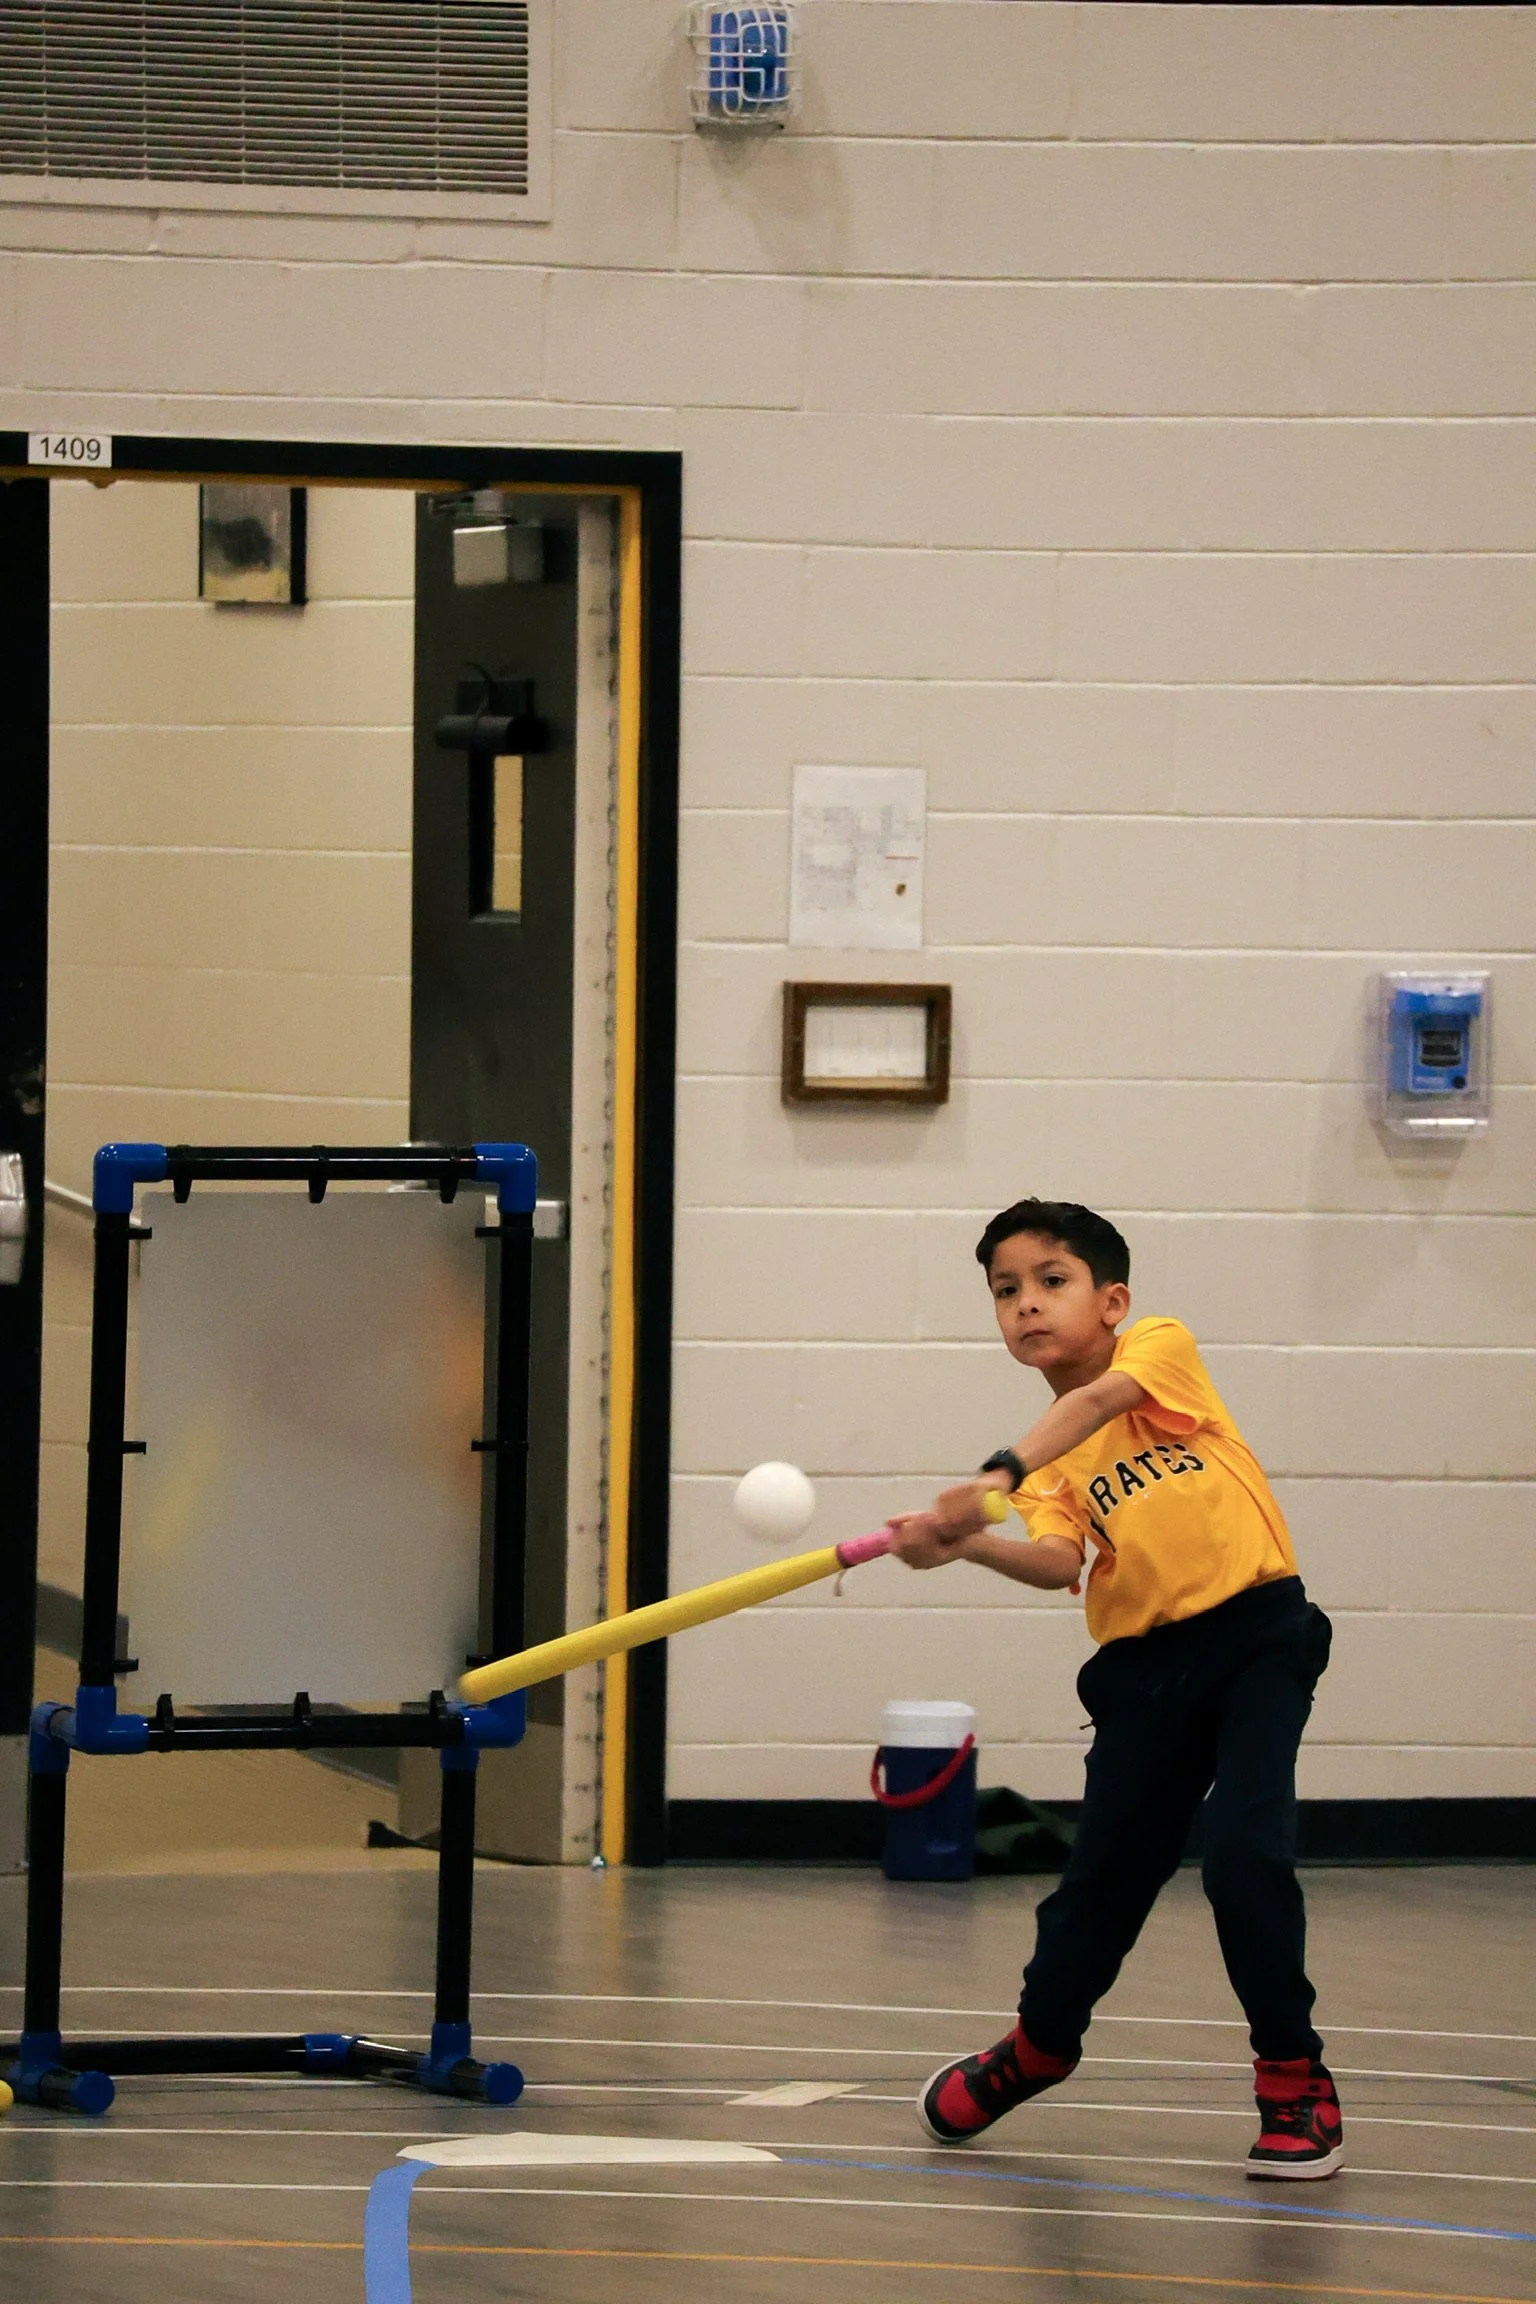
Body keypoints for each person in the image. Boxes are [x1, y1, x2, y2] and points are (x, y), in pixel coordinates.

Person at [887, 1198, 1342, 2180]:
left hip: (1258, 1637)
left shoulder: (1158, 1351)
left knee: (1244, 1857)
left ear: (1113, 1300)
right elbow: (1060, 1562)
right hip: (1143, 1674)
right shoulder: (1048, 1471)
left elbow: (1092, 1406)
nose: (1026, 1305)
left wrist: (994, 1473)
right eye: (1005, 1291)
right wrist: (967, 1545)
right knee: (1099, 1886)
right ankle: (1038, 2047)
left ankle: (1294, 2079)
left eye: (1052, 1281)